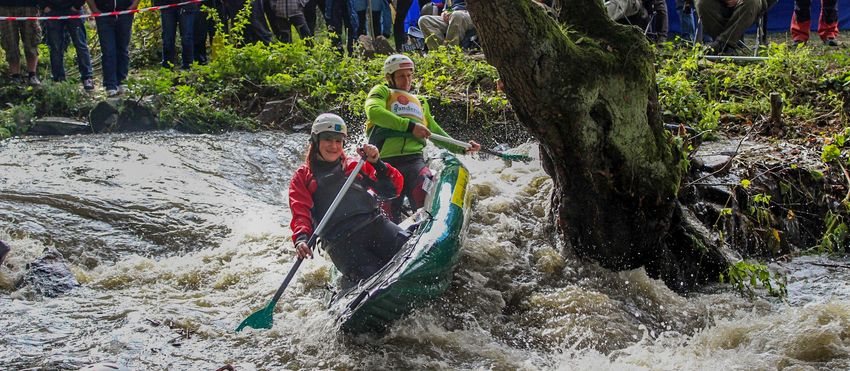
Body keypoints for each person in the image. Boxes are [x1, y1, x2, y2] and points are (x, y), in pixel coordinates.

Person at [289, 113, 408, 289]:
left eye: (338, 141)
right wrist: (301, 239)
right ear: (315, 140)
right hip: (342, 244)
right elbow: (300, 212)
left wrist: (378, 163)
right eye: (328, 139)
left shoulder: (355, 165)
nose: (334, 146)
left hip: (376, 226)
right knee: (374, 281)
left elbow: (392, 190)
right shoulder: (303, 177)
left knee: (409, 249)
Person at [364, 54, 480, 222]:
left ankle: (427, 229)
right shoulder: (382, 91)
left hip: (414, 162)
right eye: (401, 76)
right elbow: (374, 112)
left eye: (409, 75)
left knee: (423, 189)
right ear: (389, 77)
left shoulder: (420, 102)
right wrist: (410, 126)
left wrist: (462, 147)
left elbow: (434, 131)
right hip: (384, 164)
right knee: (386, 213)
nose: (407, 80)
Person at [38, 0, 94, 90]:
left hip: (74, 10)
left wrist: (77, 5)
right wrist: (43, 6)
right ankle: (58, 79)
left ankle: (87, 77)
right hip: (53, 11)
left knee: (80, 45)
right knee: (55, 47)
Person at [87, 0, 138, 96]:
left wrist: (134, 4)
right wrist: (94, 9)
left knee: (123, 48)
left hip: (125, 12)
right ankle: (110, 85)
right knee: (108, 51)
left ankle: (122, 82)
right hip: (104, 14)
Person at [695, 0, 766, 54]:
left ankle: (722, 45)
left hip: (749, 5)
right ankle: (727, 46)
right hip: (719, 4)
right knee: (701, 3)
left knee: (751, 1)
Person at [0, 0, 41, 86]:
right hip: (5, 6)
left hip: (29, 5)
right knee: (9, 41)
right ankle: (15, 77)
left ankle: (32, 75)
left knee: (32, 40)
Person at [156, 0, 198, 69]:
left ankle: (188, 66)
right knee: (167, 38)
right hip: (166, 5)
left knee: (187, 37)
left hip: (186, 5)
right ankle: (167, 67)